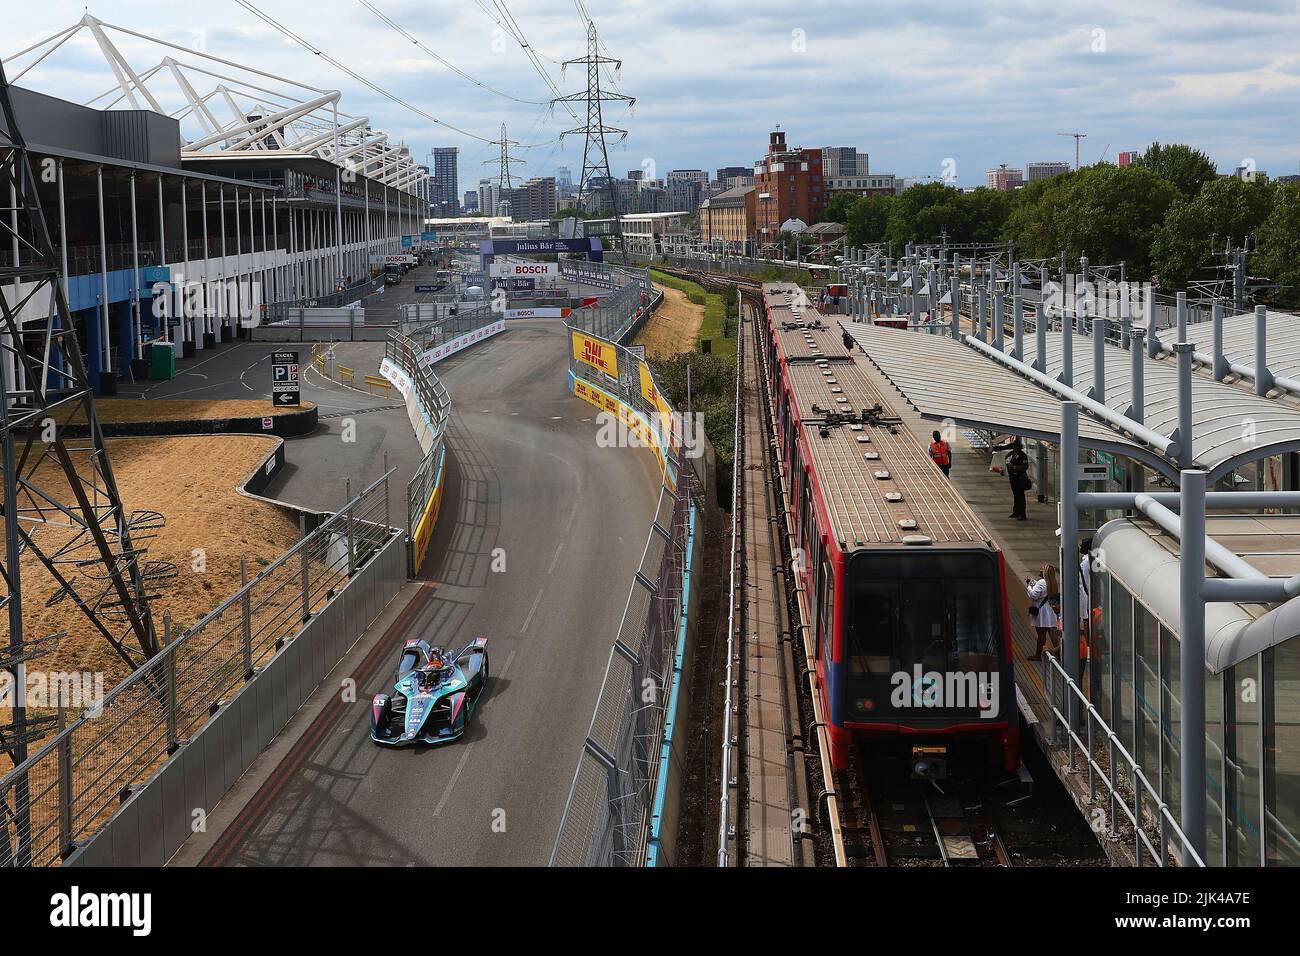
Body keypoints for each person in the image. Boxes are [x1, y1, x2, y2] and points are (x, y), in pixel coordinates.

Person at [1025, 564, 1060, 661]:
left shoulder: (1041, 582)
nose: (1040, 570)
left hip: (1042, 612)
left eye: (1042, 569)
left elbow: (1033, 595)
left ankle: (1037, 655)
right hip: (1050, 611)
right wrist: (1032, 583)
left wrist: (1028, 586)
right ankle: (1059, 653)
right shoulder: (1052, 582)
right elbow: (1043, 589)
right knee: (1052, 634)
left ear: (1045, 572)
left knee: (1041, 634)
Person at [999, 437, 1030, 519]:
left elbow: (1025, 466)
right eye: (1013, 446)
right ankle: (1016, 511)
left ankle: (1022, 514)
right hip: (1013, 477)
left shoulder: (1022, 455)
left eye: (1015, 446)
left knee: (1020, 496)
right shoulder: (1012, 453)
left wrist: (1015, 467)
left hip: (1019, 477)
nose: (1014, 448)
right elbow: (1006, 459)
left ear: (1019, 447)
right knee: (1016, 495)